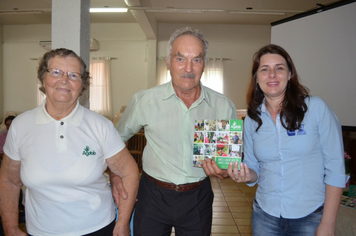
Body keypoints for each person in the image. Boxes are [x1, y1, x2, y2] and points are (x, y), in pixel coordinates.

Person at [0, 48, 139, 236]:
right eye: (56, 72)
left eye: (74, 75)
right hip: (40, 231)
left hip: (96, 228)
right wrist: (11, 228)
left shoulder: (100, 126)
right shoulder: (20, 126)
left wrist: (122, 222)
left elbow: (129, 171)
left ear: (82, 85)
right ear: (43, 77)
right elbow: (9, 180)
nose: (64, 80)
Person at [114, 27, 237, 236]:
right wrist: (118, 176)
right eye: (180, 59)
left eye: (196, 60)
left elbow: (226, 160)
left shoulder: (222, 106)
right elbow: (116, 141)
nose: (188, 68)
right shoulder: (145, 100)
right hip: (152, 195)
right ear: (168, 62)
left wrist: (225, 170)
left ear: (204, 64)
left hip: (198, 196)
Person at [227, 44, 346, 236]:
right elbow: (253, 166)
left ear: (290, 74)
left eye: (279, 68)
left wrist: (328, 224)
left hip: (310, 217)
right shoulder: (251, 119)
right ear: (256, 78)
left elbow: (336, 168)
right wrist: (246, 175)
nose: (272, 75)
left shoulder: (316, 109)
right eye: (264, 70)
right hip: (265, 216)